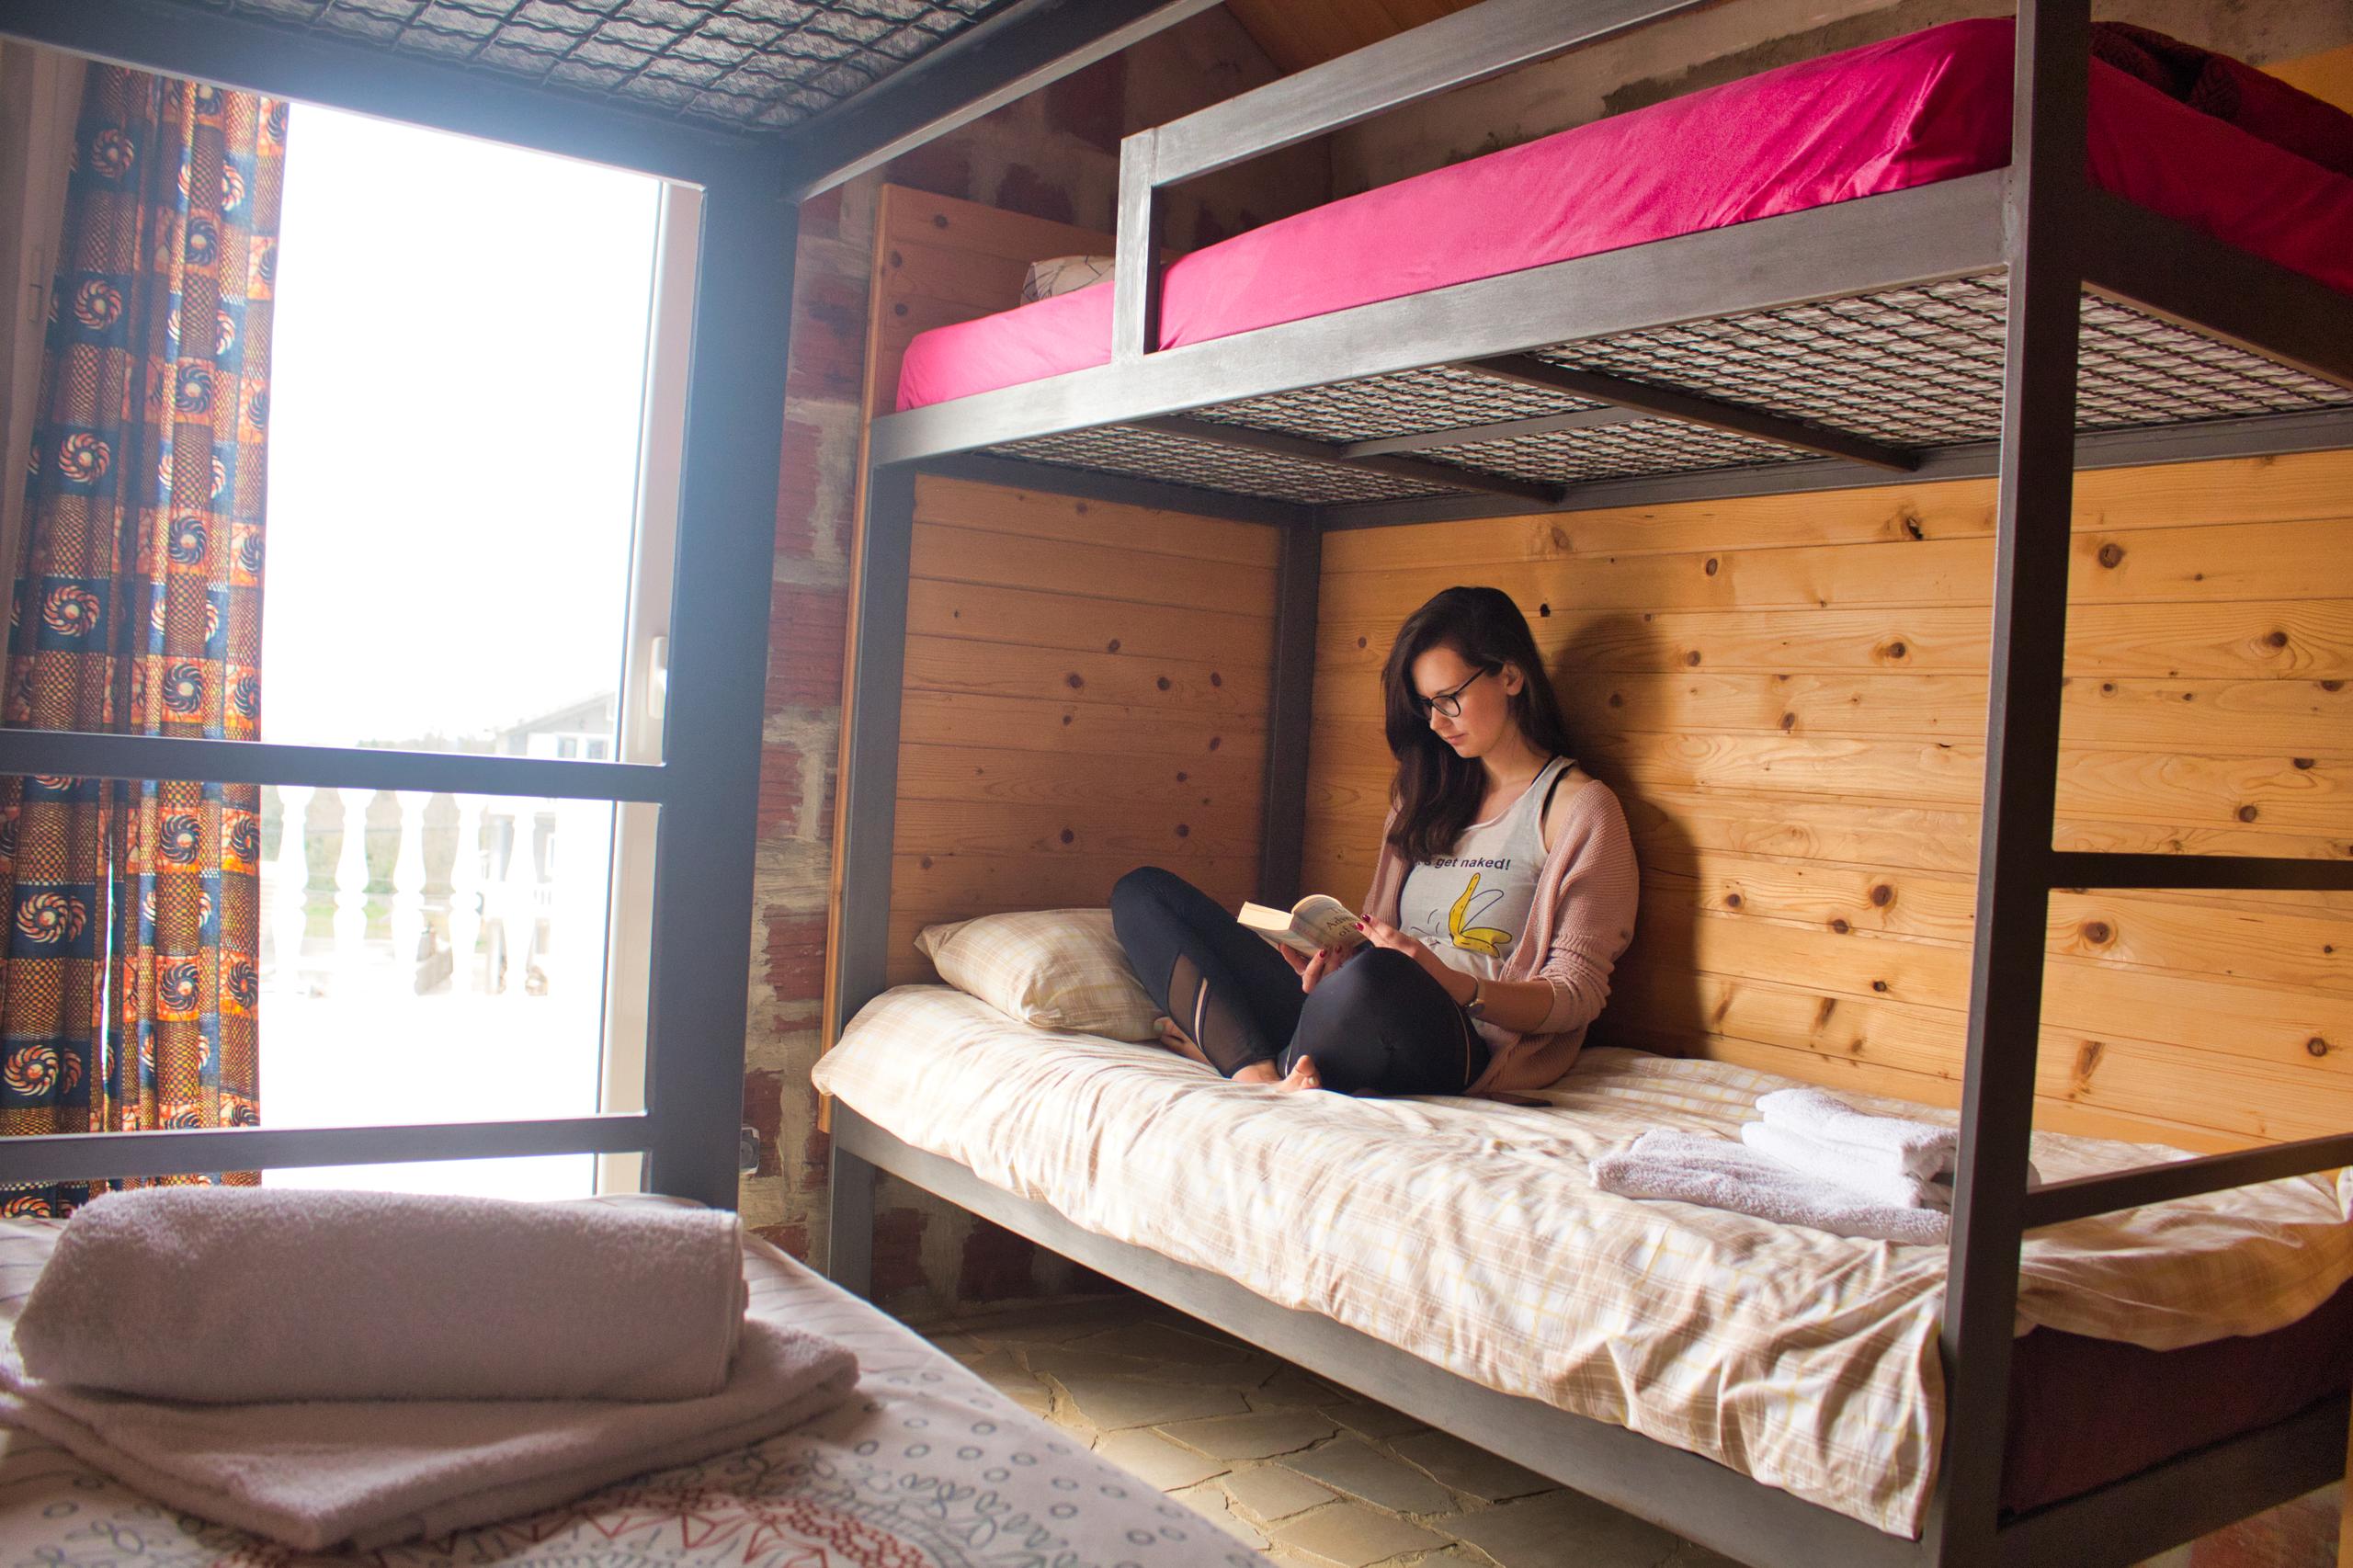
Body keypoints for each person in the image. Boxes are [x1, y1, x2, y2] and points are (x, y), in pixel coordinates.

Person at [1110, 585, 1638, 1098]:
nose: (1435, 722)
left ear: (1511, 675)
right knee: (1144, 893)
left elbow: (1575, 995)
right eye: (1425, 705)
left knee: (1382, 977)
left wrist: (1453, 985)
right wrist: (1334, 968)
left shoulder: (1577, 809)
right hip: (1364, 1004)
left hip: (1461, 1037)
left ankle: (1239, 1050)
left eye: (1449, 699)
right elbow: (1371, 933)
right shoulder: (1421, 798)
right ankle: (1260, 1075)